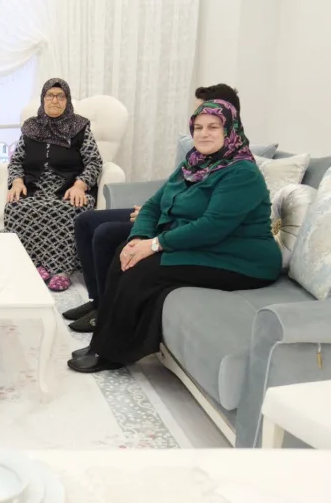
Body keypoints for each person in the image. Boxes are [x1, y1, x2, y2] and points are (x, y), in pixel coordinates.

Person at [67, 99, 280, 373]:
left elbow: (212, 226)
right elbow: (154, 204)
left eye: (213, 127)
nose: (203, 134)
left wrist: (155, 244)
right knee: (126, 252)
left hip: (240, 259)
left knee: (142, 268)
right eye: (198, 127)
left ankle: (113, 352)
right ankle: (103, 341)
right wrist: (138, 238)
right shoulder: (193, 163)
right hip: (206, 245)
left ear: (230, 131)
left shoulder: (242, 173)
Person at [64, 83, 246, 333]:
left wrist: (162, 218)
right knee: (86, 221)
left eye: (206, 116)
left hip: (177, 224)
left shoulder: (235, 162)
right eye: (197, 117)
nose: (198, 122)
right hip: (167, 216)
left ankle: (108, 310)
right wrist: (153, 211)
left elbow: (206, 214)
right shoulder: (197, 153)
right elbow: (174, 189)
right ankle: (99, 301)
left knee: (106, 233)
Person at [3, 78, 103, 292]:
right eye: (50, 95)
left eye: (60, 96)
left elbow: (94, 161)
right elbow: (16, 160)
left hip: (68, 188)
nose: (55, 100)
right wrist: (17, 181)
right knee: (16, 208)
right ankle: (34, 264)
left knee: (68, 210)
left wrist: (80, 185)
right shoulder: (31, 127)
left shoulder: (80, 127)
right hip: (34, 186)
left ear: (67, 100)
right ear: (43, 99)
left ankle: (61, 270)